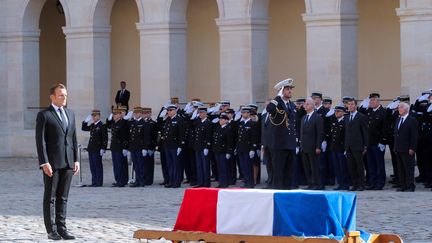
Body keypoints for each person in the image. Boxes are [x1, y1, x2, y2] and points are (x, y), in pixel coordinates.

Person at [36, 84, 79, 240]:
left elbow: (73, 138)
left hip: (68, 162)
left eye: (65, 95)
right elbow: (40, 141)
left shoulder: (70, 113)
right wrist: (44, 162)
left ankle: (62, 228)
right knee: (51, 197)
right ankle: (51, 230)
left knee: (63, 197)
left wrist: (76, 160)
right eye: (61, 95)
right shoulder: (44, 115)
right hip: (52, 163)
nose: (64, 98)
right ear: (52, 97)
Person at [266, 78, 297, 189]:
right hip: (279, 144)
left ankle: (287, 192)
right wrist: (277, 97)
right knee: (278, 171)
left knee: (289, 171)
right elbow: (269, 109)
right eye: (287, 89)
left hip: (290, 143)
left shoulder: (292, 105)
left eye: (290, 89)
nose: (290, 91)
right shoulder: (277, 103)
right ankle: (278, 192)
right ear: (281, 90)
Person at [364, 93, 388, 190]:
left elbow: (385, 129)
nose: (372, 102)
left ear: (378, 101)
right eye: (371, 100)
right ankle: (372, 182)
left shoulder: (383, 112)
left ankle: (380, 183)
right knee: (371, 164)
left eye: (374, 100)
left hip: (378, 143)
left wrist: (383, 141)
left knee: (379, 164)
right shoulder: (369, 111)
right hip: (369, 143)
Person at [344, 98, 368, 191]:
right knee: (351, 166)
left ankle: (361, 184)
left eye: (352, 104)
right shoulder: (346, 117)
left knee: (359, 166)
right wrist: (345, 147)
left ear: (356, 105)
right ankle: (354, 184)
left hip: (358, 145)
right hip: (348, 146)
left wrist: (365, 145)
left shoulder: (361, 116)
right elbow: (346, 133)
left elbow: (365, 132)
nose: (350, 106)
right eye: (348, 104)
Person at [300, 98, 324, 190]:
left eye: (307, 104)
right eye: (305, 104)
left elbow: (319, 133)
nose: (305, 106)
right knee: (307, 167)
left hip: (313, 146)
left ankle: (316, 184)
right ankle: (310, 183)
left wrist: (318, 146)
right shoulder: (304, 117)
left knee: (314, 166)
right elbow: (302, 133)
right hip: (304, 146)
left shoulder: (317, 117)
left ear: (312, 106)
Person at [394, 102, 418, 192]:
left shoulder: (412, 120)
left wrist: (412, 148)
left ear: (406, 109)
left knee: (408, 168)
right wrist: (395, 146)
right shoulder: (398, 119)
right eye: (399, 107)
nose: (399, 109)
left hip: (407, 149)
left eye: (401, 107)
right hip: (399, 148)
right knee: (400, 168)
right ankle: (402, 185)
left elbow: (414, 136)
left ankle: (410, 186)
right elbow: (396, 134)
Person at [162, 104, 186, 188]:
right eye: (168, 110)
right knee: (170, 165)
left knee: (176, 165)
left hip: (175, 146)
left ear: (175, 110)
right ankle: (171, 181)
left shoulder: (179, 119)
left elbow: (182, 134)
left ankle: (176, 182)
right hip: (168, 146)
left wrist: (180, 146)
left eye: (170, 110)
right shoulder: (168, 120)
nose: (169, 112)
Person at [81, 109, 108, 187]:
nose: (93, 117)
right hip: (91, 148)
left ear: (99, 116)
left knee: (98, 165)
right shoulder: (93, 125)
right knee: (92, 166)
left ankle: (99, 182)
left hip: (98, 149)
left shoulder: (102, 125)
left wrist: (103, 148)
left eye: (95, 116)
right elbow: (84, 128)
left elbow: (104, 138)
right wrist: (85, 121)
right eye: (92, 116)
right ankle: (94, 181)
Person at [236, 106, 259, 188]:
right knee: (243, 166)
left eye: (246, 112)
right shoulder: (241, 123)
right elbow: (238, 137)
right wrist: (237, 147)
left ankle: (250, 183)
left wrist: (253, 149)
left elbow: (254, 137)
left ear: (249, 113)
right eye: (242, 112)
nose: (244, 114)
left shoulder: (253, 123)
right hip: (241, 148)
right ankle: (246, 181)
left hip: (248, 148)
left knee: (248, 166)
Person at [329, 105, 350, 190]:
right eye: (335, 111)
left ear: (344, 113)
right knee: (337, 168)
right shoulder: (335, 121)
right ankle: (340, 184)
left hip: (342, 149)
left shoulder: (345, 122)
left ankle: (345, 184)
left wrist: (346, 148)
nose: (336, 113)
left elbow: (346, 137)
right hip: (334, 148)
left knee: (343, 167)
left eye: (338, 111)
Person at [108, 108, 129, 187]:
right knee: (116, 165)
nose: (114, 116)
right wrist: (109, 119)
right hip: (114, 147)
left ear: (120, 115)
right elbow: (107, 125)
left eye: (116, 114)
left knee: (121, 165)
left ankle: (122, 181)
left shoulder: (122, 123)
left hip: (120, 147)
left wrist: (125, 147)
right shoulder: (114, 123)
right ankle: (117, 180)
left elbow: (125, 136)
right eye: (113, 114)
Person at [193, 107, 213, 187]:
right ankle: (200, 182)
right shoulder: (199, 122)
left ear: (205, 113)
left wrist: (207, 147)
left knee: (205, 166)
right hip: (198, 147)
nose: (200, 114)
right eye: (199, 113)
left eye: (201, 113)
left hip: (204, 147)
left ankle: (206, 183)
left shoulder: (208, 123)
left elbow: (209, 136)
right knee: (199, 165)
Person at [212, 113, 234, 188]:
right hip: (217, 151)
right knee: (219, 167)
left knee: (224, 167)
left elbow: (229, 142)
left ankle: (225, 182)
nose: (220, 121)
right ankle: (221, 182)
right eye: (220, 119)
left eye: (222, 120)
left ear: (226, 120)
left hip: (223, 151)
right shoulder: (218, 128)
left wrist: (229, 152)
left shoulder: (228, 129)